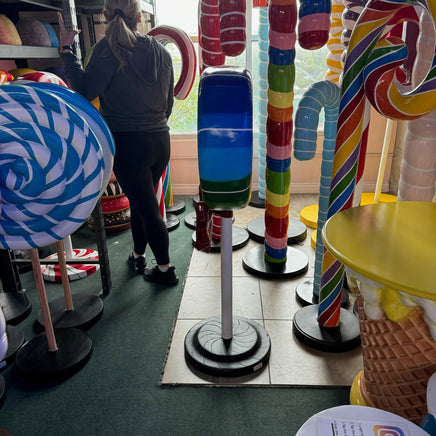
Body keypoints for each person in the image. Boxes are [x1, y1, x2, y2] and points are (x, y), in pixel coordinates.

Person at [57, 0, 178, 286]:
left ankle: (165, 270)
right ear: (139, 16)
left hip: (128, 144)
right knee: (141, 202)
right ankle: (138, 255)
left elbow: (85, 91)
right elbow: (169, 103)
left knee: (147, 209)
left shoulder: (106, 50)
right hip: (160, 140)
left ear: (104, 15)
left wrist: (66, 52)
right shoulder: (161, 50)